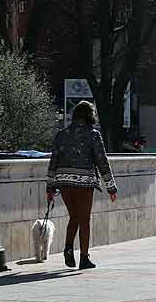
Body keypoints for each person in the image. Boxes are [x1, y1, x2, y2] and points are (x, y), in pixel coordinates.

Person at [47, 100, 117, 270]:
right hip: (84, 182)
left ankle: (68, 248)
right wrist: (111, 186)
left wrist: (50, 186)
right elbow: (102, 161)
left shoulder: (61, 134)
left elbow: (53, 160)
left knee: (74, 217)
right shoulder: (93, 134)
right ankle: (84, 258)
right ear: (89, 115)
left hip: (63, 181)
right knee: (84, 219)